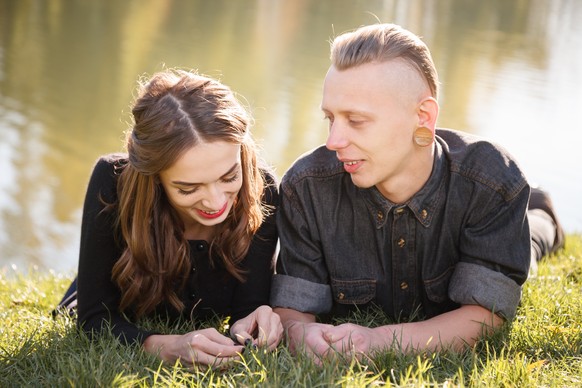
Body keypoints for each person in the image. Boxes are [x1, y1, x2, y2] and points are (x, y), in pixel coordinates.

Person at [270, 23, 565, 362]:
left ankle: (542, 215)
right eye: (330, 118)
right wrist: (300, 334)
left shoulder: (490, 180)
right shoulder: (305, 187)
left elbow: (487, 317)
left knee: (529, 249)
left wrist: (377, 341)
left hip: (507, 219)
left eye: (356, 120)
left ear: (423, 117)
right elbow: (291, 311)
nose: (334, 141)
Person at [55, 69, 283, 367]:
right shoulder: (112, 182)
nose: (215, 202)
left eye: (229, 177)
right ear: (156, 178)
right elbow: (94, 318)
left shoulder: (261, 188)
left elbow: (247, 306)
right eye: (188, 188)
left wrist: (253, 321)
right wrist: (163, 345)